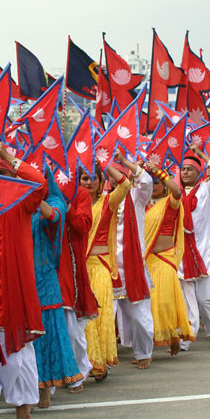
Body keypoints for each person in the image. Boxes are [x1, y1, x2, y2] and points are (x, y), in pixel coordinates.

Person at [0, 140, 47, 419]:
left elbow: (40, 183)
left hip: (13, 285)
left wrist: (9, 156)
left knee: (18, 349)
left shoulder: (22, 200)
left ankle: (23, 402)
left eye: (2, 174)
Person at [31, 167, 82, 409]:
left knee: (46, 336)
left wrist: (32, 195)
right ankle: (24, 388)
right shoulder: (14, 199)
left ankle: (45, 389)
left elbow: (53, 217)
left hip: (45, 280)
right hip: (18, 275)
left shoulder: (54, 201)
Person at [82, 153, 130, 381]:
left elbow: (125, 184)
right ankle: (83, 363)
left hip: (100, 268)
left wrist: (105, 163)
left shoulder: (108, 202)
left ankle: (99, 361)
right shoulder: (73, 205)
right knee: (80, 319)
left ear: (102, 182)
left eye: (94, 177)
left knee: (99, 315)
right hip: (79, 269)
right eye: (84, 178)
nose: (89, 182)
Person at [143, 163, 193, 355]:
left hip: (165, 259)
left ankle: (173, 336)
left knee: (164, 302)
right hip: (147, 260)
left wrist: (159, 172)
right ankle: (148, 346)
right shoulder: (141, 204)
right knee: (148, 306)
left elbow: (177, 191)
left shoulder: (170, 202)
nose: (154, 186)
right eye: (151, 183)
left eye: (157, 183)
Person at [178, 145, 210, 349]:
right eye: (183, 169)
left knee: (206, 300)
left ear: (199, 172)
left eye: (190, 169)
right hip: (181, 254)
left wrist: (202, 155)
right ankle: (185, 340)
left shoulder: (207, 189)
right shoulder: (175, 192)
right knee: (188, 302)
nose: (185, 172)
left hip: (203, 253)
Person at [113, 155, 154, 369]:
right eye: (112, 173)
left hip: (132, 267)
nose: (115, 177)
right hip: (105, 266)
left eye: (120, 172)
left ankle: (144, 352)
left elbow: (146, 180)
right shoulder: (101, 199)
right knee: (100, 320)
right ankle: (100, 362)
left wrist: (126, 161)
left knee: (139, 317)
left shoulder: (137, 196)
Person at [56, 179, 96, 392]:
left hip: (69, 265)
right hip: (44, 262)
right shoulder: (39, 190)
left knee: (72, 328)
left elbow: (82, 226)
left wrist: (67, 206)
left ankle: (79, 371)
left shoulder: (80, 194)